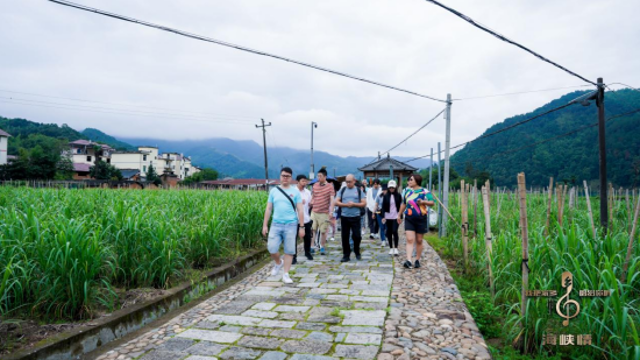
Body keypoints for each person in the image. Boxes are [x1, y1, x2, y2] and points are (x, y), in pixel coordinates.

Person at [262, 167, 305, 283]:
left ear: (291, 178)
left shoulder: (295, 192)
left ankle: (285, 274)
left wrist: (302, 227)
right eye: (283, 176)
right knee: (271, 247)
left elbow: (300, 210)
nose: (285, 178)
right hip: (276, 224)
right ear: (280, 177)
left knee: (289, 250)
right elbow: (269, 208)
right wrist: (265, 225)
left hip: (291, 224)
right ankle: (278, 263)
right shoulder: (274, 191)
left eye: (288, 176)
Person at [398, 174, 435, 269]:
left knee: (419, 240)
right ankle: (409, 260)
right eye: (409, 179)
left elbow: (432, 203)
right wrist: (399, 214)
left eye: (411, 180)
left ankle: (417, 259)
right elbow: (404, 204)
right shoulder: (406, 191)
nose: (409, 181)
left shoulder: (425, 191)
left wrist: (423, 202)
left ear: (417, 181)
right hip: (409, 218)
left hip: (421, 219)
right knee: (410, 239)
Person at [335, 174, 366, 262]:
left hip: (356, 216)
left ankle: (357, 250)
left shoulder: (358, 190)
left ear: (354, 181)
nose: (348, 183)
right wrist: (346, 205)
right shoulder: (342, 190)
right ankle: (346, 255)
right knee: (344, 236)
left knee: (357, 236)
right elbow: (336, 201)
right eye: (347, 182)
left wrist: (354, 204)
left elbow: (364, 203)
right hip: (345, 217)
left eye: (350, 182)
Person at [309, 168, 335, 256]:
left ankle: (322, 246)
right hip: (314, 211)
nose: (318, 178)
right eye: (318, 176)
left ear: (325, 177)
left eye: (320, 176)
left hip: (324, 212)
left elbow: (332, 200)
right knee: (312, 229)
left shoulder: (330, 186)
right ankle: (312, 247)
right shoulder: (315, 185)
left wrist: (331, 212)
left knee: (323, 231)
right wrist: (311, 201)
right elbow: (313, 196)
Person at [295, 174, 313, 262]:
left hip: (305, 218)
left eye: (305, 181)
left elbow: (309, 204)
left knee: (308, 237)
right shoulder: (293, 191)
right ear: (297, 181)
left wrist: (311, 204)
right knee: (293, 238)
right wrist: (297, 202)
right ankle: (293, 257)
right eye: (303, 181)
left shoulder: (308, 192)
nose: (304, 182)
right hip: (294, 219)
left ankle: (307, 252)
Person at [381, 180, 401, 256]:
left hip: (396, 216)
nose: (391, 189)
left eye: (393, 187)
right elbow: (383, 207)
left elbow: (401, 206)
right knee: (388, 232)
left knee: (394, 231)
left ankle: (396, 248)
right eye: (390, 187)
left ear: (395, 187)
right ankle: (391, 248)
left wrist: (401, 216)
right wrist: (383, 216)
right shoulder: (385, 196)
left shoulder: (398, 195)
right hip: (388, 216)